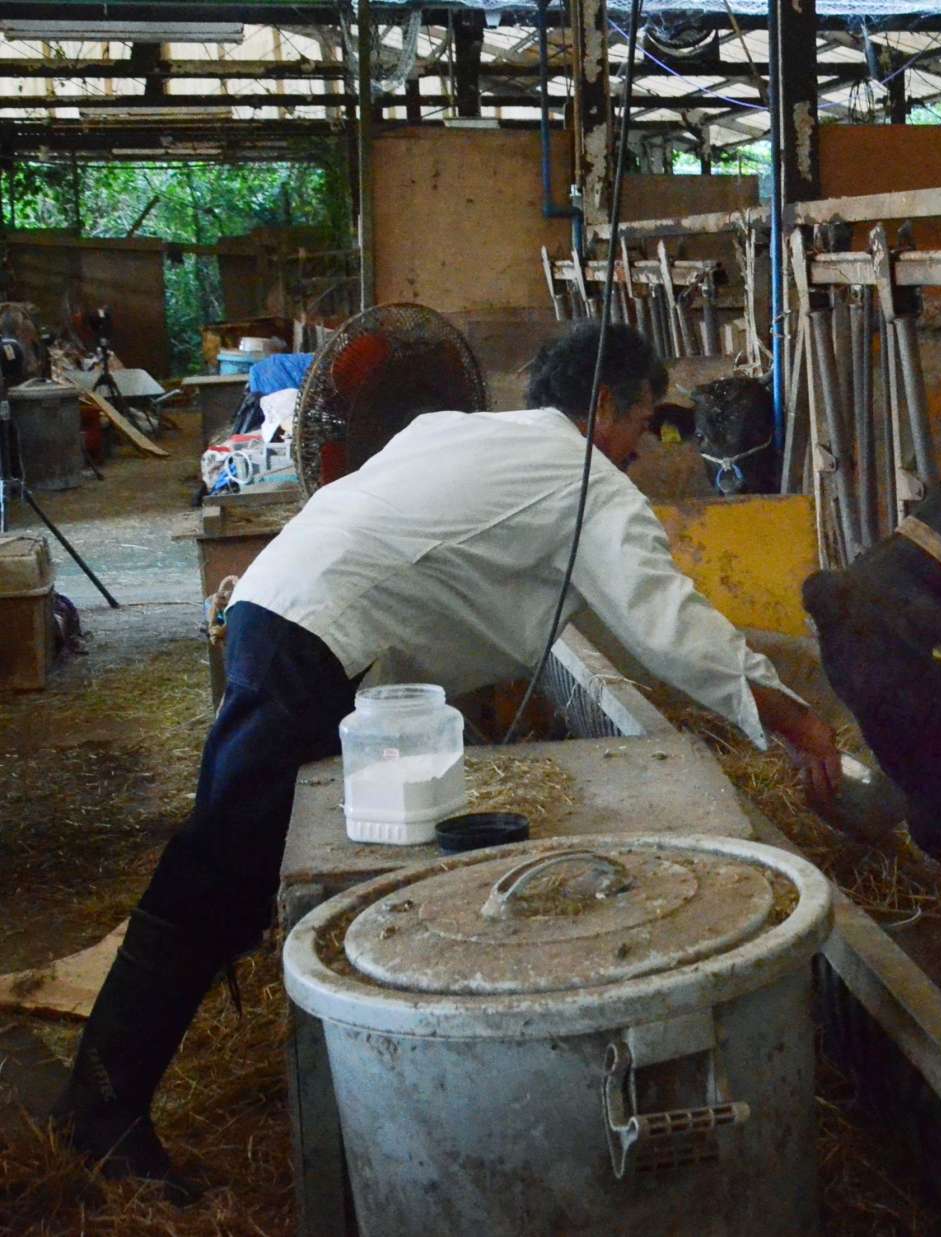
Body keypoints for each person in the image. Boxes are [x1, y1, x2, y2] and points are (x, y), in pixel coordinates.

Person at [51, 319, 842, 1195]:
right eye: (644, 420)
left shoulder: (459, 432)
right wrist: (793, 716)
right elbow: (672, 629)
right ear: (604, 403)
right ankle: (99, 1114)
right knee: (216, 871)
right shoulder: (586, 481)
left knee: (237, 862)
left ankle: (163, 1090)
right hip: (313, 644)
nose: (644, 448)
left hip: (275, 612)